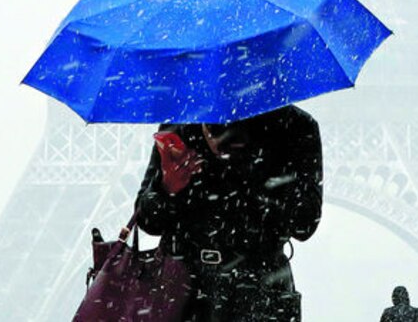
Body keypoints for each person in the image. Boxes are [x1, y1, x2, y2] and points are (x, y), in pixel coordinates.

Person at [135, 104, 323, 322]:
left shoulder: (294, 127)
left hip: (258, 293)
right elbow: (147, 220)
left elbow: (304, 223)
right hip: (184, 289)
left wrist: (246, 161)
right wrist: (167, 188)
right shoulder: (182, 123)